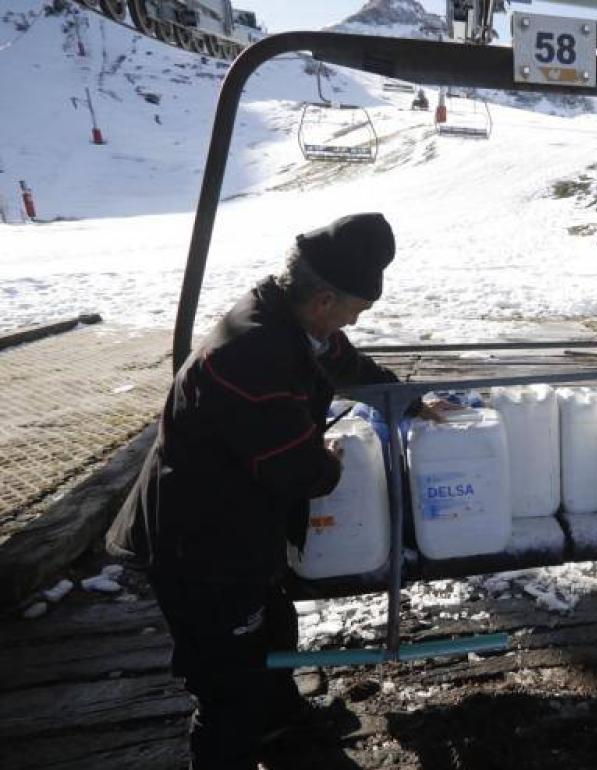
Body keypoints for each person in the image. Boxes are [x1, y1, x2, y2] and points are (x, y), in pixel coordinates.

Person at [106, 212, 415, 769]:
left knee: (272, 629)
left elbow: (343, 361)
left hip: (240, 528)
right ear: (324, 299)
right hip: (197, 542)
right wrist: (330, 461)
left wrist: (404, 400)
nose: (355, 320)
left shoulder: (292, 320)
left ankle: (279, 724)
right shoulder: (252, 355)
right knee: (229, 682)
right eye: (357, 309)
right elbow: (297, 471)